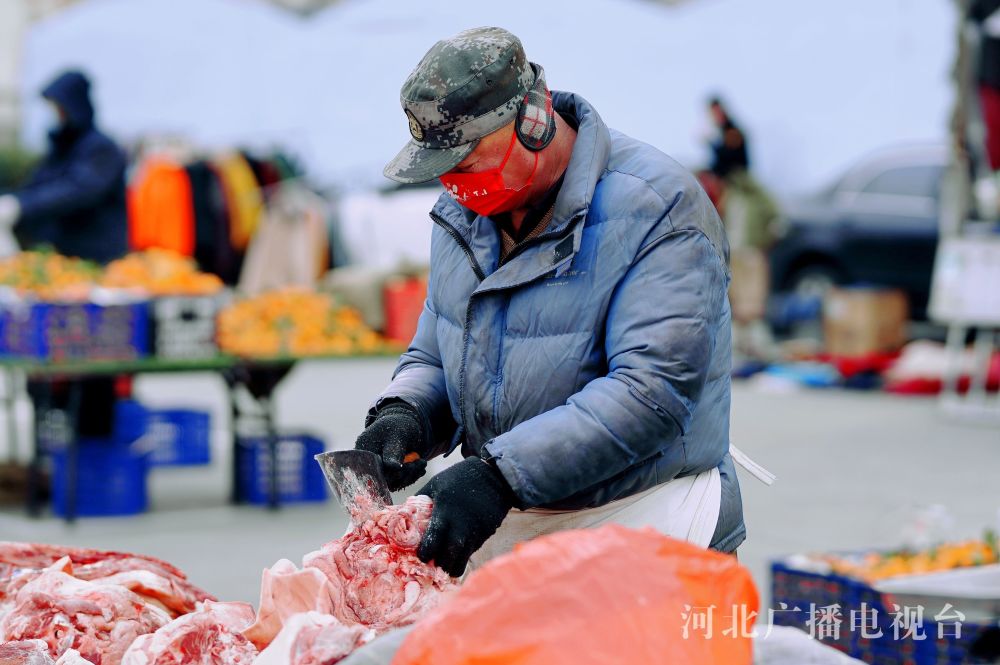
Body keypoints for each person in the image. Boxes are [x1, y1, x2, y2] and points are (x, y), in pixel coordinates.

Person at [355, 27, 745, 578]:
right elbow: (438, 350)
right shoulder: (464, 213)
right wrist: (405, 414)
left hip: (644, 523)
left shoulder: (659, 207)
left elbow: (650, 391)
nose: (454, 184)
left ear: (533, 123)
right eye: (442, 169)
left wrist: (498, 476)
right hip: (520, 527)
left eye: (466, 162)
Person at [0, 70, 128, 438]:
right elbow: (42, 185)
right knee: (53, 363)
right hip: (60, 270)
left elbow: (76, 189)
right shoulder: (62, 147)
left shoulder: (99, 148)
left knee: (93, 364)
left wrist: (21, 208)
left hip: (97, 267)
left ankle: (93, 441)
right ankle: (55, 442)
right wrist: (17, 201)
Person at [704, 96, 778, 359]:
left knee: (751, 300)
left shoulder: (749, 193)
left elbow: (775, 218)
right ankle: (744, 344)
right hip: (738, 250)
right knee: (740, 297)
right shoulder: (726, 198)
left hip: (750, 249)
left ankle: (754, 344)